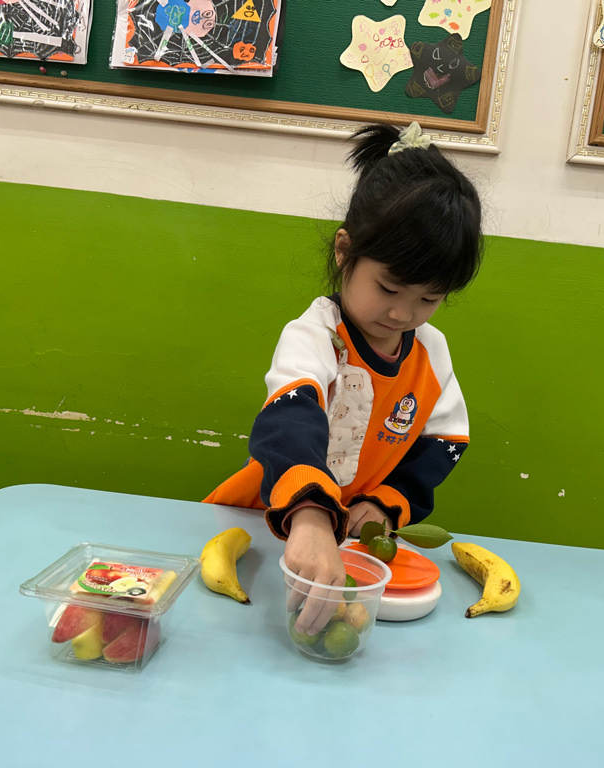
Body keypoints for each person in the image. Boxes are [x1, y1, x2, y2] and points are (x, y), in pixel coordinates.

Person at [204, 122, 482, 635]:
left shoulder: (432, 352)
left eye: (429, 298)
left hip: (351, 538)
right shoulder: (315, 334)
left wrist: (385, 503)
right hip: (269, 519)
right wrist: (310, 516)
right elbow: (290, 417)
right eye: (389, 288)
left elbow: (445, 442)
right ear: (344, 251)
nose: (402, 314)